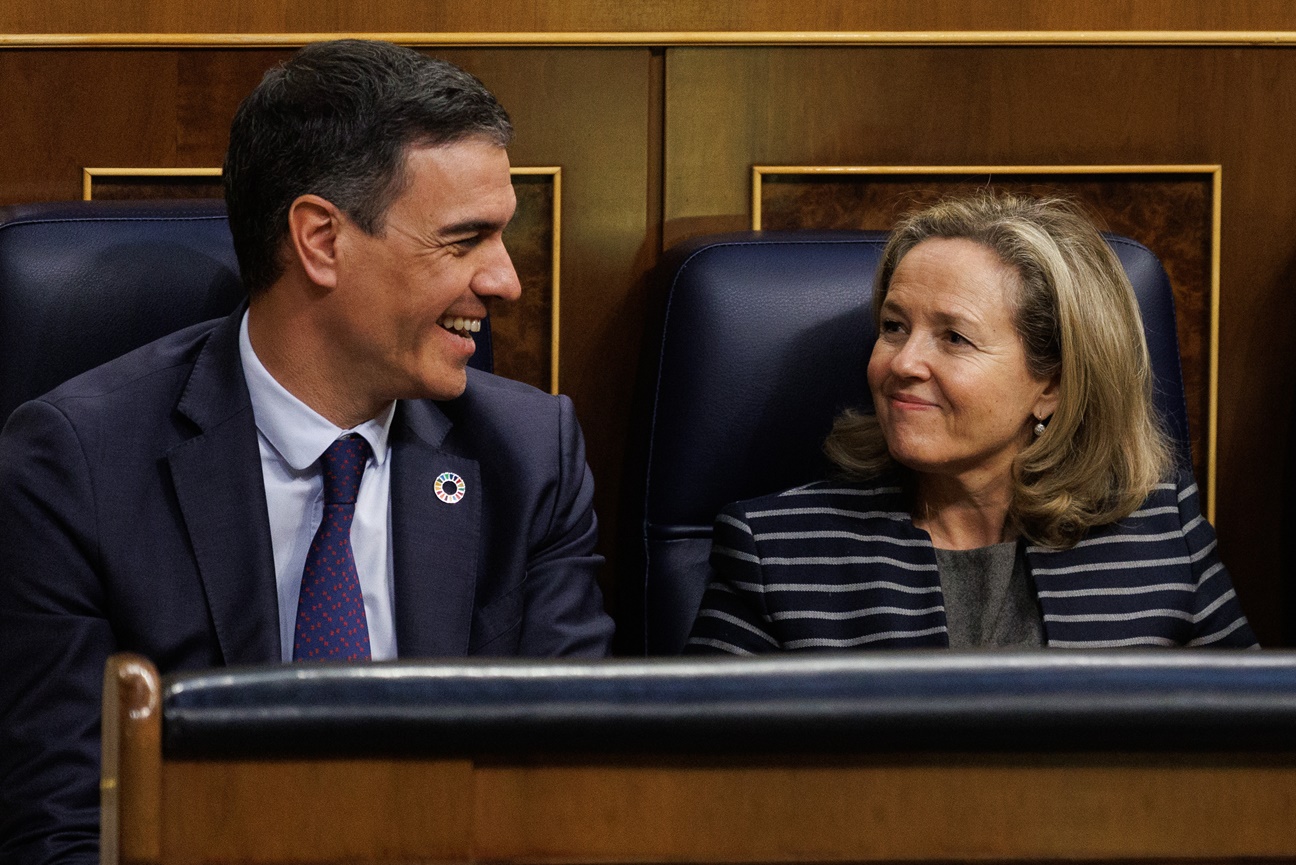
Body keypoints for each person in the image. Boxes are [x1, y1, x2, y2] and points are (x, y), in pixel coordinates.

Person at [0, 40, 613, 863]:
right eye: (465, 240)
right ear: (320, 239)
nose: (505, 281)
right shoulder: (75, 468)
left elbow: (570, 794)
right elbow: (65, 829)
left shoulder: (532, 459)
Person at [686, 193, 1255, 654]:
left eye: (954, 338)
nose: (902, 363)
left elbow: (1255, 761)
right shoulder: (776, 553)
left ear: (1052, 384)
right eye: (892, 327)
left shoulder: (1162, 534)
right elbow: (696, 780)